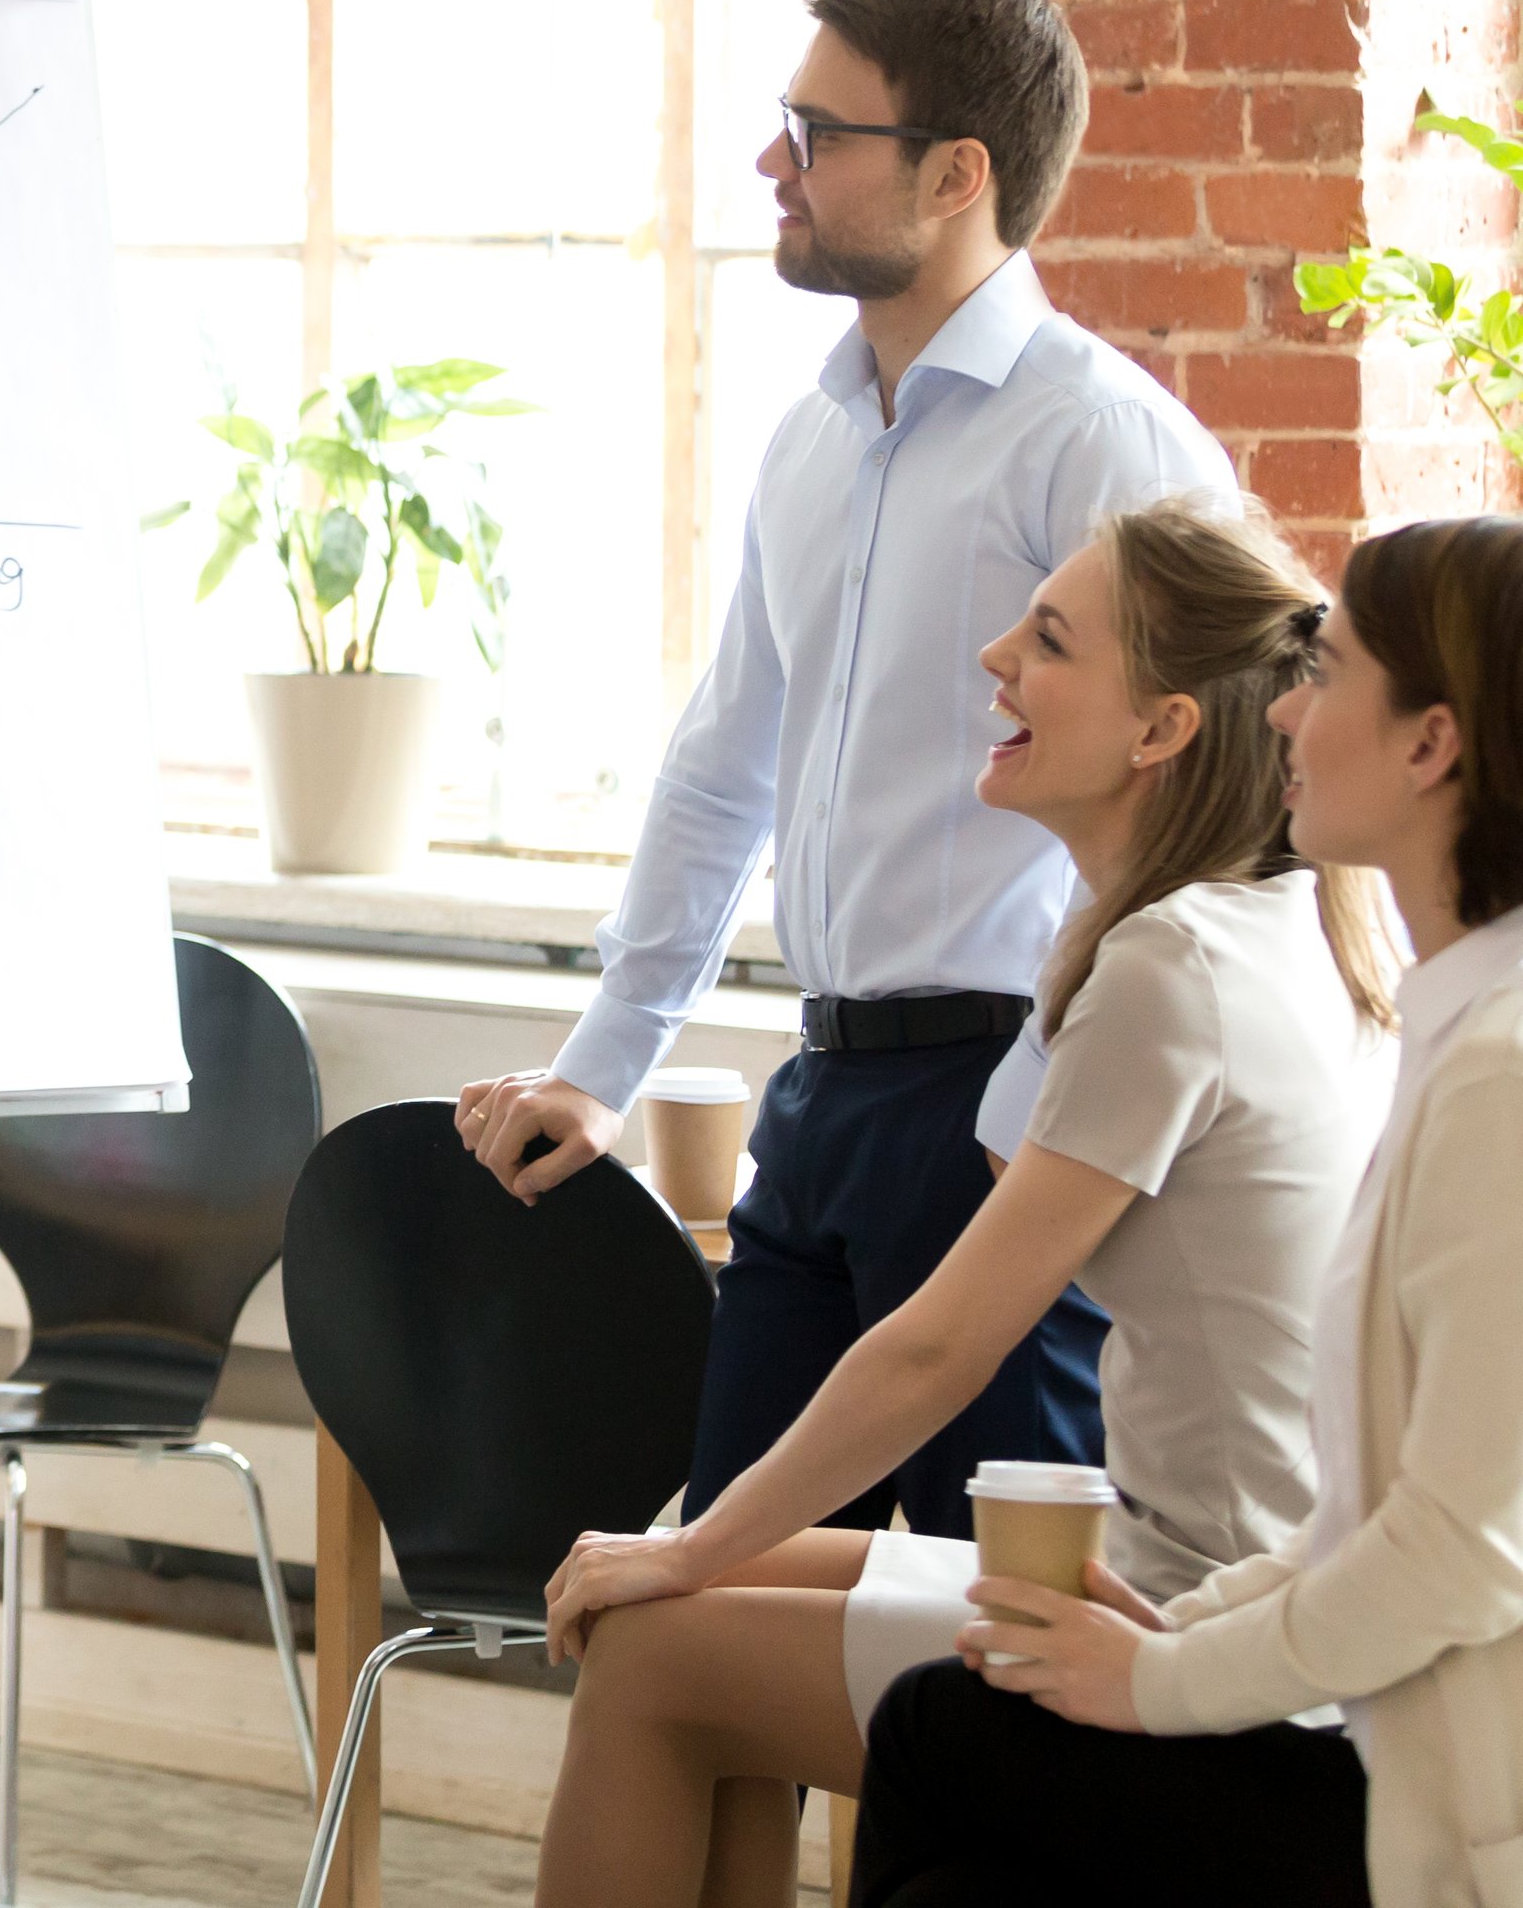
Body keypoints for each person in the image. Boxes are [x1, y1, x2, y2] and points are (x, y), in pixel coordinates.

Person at [455, 0, 1233, 1536]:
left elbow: (1219, 791)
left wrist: (1048, 1111)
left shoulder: (1106, 439)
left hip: (1007, 1103)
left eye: (817, 133)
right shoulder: (812, 438)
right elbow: (725, 762)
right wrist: (606, 1065)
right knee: (714, 1612)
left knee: (970, 1667)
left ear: (956, 175)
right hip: (815, 1104)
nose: (771, 166)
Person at [520, 497, 1392, 1907]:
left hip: (1195, 1633)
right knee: (678, 1607)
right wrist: (689, 1554)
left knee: (655, 1650)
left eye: (1047, 640)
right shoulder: (1276, 924)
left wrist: (683, 1540)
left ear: (1162, 729)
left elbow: (943, 1345)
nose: (994, 656)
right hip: (1201, 1577)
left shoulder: (1172, 966)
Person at [852, 514, 1523, 1908]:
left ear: (1430, 746)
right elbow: (1381, 1514)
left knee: (940, 1733)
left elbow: (1458, 1552)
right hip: (1359, 1712)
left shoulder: (1495, 1075)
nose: (1281, 704)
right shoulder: (1445, 1024)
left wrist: (1158, 1677)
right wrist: (1183, 1626)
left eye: (1327, 674)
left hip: (1443, 1817)